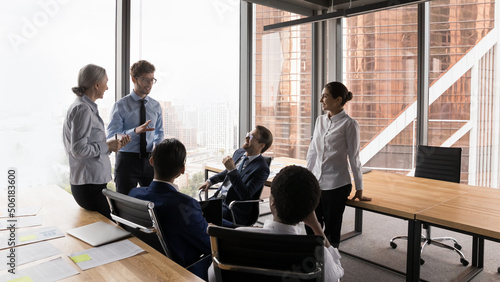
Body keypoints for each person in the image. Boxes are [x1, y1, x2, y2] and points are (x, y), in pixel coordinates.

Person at [208, 165, 344, 281]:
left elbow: (213, 277)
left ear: (272, 201)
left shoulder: (235, 238)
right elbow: (337, 274)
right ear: (310, 211)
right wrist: (316, 227)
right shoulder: (317, 254)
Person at [128, 138, 211, 280]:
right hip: (181, 271)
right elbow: (209, 245)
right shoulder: (185, 205)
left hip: (143, 265)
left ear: (152, 161)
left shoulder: (134, 194)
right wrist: (209, 229)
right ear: (182, 169)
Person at [306, 81, 372, 248]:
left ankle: (331, 264)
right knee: (310, 223)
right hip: (316, 182)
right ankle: (312, 260)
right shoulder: (319, 121)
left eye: (325, 96)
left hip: (337, 184)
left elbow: (354, 157)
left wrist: (359, 188)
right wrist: (307, 178)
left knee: (332, 228)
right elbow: (313, 151)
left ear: (338, 100)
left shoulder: (349, 124)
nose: (321, 99)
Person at [63, 64, 130, 219]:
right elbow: (78, 149)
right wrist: (106, 145)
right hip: (89, 185)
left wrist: (111, 145)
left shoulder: (83, 107)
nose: (107, 87)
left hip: (91, 183)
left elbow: (87, 145)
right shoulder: (83, 109)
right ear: (97, 84)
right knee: (116, 225)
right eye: (106, 82)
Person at [107, 60, 164, 195]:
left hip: (151, 162)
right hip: (127, 161)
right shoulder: (120, 106)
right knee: (124, 203)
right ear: (134, 79)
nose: (150, 84)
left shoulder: (155, 106)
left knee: (155, 202)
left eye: (152, 80)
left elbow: (159, 132)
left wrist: (158, 149)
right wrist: (135, 131)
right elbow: (112, 137)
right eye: (145, 79)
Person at [198, 125, 273, 227]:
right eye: (248, 134)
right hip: (218, 199)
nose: (246, 137)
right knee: (190, 210)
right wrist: (210, 181)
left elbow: (245, 195)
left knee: (203, 217)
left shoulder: (261, 169)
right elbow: (227, 172)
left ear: (261, 145)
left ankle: (233, 230)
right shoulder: (239, 153)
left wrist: (233, 170)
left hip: (232, 207)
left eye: (251, 137)